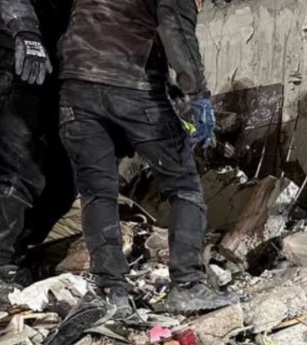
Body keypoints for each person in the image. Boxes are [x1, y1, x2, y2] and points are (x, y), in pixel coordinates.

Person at [57, 0, 237, 314]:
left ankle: (111, 292)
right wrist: (198, 96)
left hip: (76, 90)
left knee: (97, 192)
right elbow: (176, 32)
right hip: (134, 88)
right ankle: (188, 286)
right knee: (184, 187)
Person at [0, 0, 65, 296]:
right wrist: (24, 30)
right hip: (14, 57)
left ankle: (17, 253)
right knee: (19, 169)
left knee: (60, 180)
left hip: (54, 67)